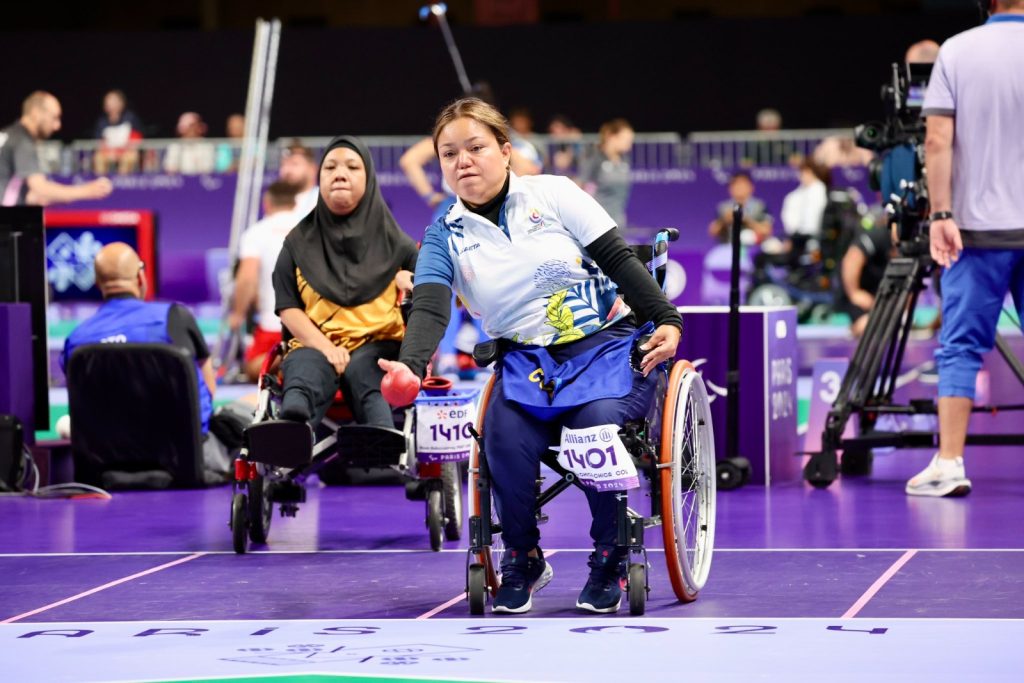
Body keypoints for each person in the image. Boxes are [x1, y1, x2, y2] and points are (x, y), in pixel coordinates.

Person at [379, 98, 682, 614]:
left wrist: (668, 319)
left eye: (475, 148)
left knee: (597, 428)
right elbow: (429, 304)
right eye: (448, 153)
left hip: (604, 345)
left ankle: (609, 554)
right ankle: (522, 555)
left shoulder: (555, 193)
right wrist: (411, 363)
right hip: (526, 363)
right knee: (502, 435)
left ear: (505, 150)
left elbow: (618, 258)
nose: (462, 161)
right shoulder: (443, 233)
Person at [908, 0, 1024, 497]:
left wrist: (940, 214)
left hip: (976, 231)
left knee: (960, 348)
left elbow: (937, 140)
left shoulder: (956, 51)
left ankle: (950, 462)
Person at [272, 136, 418, 430]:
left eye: (352, 166)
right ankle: (291, 434)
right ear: (320, 178)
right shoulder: (295, 244)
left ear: (369, 179)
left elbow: (431, 301)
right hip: (315, 343)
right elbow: (288, 307)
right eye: (330, 167)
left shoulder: (400, 247)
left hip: (379, 346)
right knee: (304, 370)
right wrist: (326, 347)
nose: (340, 173)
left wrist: (414, 285)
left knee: (367, 371)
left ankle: (382, 442)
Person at [60, 242, 232, 485]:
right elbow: (207, 388)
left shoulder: (76, 338)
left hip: (106, 469)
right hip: (185, 462)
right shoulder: (175, 317)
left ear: (98, 283)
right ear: (141, 276)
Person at [229, 180, 300, 381]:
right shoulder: (311, 226)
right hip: (312, 324)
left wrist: (237, 314)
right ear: (295, 204)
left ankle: (292, 360)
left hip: (274, 324)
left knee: (253, 370)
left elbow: (247, 279)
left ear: (266, 203)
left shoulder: (256, 233)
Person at [1, 91, 113, 206]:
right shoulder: (23, 142)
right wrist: (88, 190)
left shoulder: (7, 135)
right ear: (36, 113)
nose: (57, 126)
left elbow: (29, 195)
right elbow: (40, 188)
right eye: (54, 118)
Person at [837, 217, 894, 338]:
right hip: (858, 295)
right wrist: (854, 293)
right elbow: (852, 257)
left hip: (879, 295)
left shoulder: (909, 242)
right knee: (867, 326)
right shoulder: (878, 235)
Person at [577, 118, 634, 234]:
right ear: (611, 137)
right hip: (597, 222)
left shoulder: (625, 160)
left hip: (618, 221)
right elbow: (583, 187)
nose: (629, 145)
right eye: (626, 140)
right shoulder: (594, 158)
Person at [708, 171, 774, 245]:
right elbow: (713, 232)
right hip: (728, 247)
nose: (739, 187)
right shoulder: (723, 207)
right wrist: (724, 220)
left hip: (754, 248)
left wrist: (746, 220)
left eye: (742, 184)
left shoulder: (759, 206)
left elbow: (767, 231)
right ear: (730, 188)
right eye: (735, 184)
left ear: (751, 187)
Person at [92, 89, 143, 175]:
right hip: (108, 152)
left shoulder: (130, 118)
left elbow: (136, 139)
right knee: (98, 157)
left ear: (121, 103)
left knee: (130, 157)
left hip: (126, 152)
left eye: (113, 100)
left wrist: (121, 151)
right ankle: (101, 183)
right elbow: (99, 142)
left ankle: (122, 184)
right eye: (108, 100)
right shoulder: (101, 122)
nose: (110, 103)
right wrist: (111, 153)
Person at [277, 140, 319, 217]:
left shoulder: (322, 201)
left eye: (294, 164)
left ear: (312, 169)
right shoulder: (276, 201)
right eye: (283, 165)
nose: (287, 170)